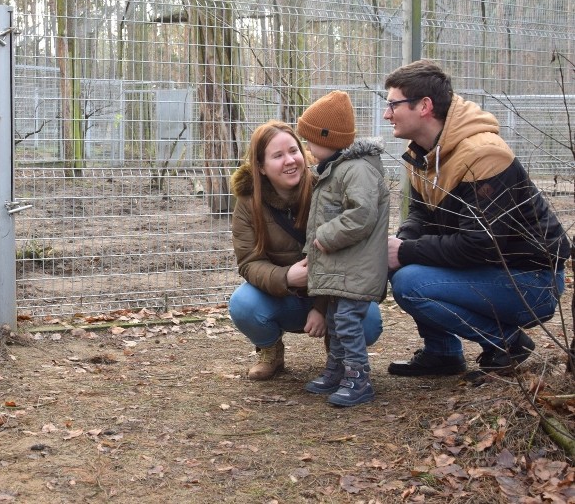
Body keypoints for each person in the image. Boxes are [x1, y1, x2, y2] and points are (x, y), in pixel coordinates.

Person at [384, 59, 571, 377]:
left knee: (409, 281)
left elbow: (481, 244)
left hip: (531, 281)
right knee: (399, 263)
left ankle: (507, 343)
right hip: (490, 270)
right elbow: (420, 213)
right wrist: (402, 240)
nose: (387, 114)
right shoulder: (424, 153)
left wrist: (404, 251)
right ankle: (441, 354)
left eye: (393, 104)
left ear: (424, 106)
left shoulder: (483, 154)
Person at [229, 119, 383, 382]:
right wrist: (287, 277)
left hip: (332, 291)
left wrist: (322, 308)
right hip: (283, 296)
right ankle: (270, 350)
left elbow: (346, 254)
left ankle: (337, 352)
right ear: (261, 167)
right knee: (243, 304)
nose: (290, 160)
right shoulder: (247, 203)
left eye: (294, 151)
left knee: (368, 322)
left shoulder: (324, 188)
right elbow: (249, 262)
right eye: (277, 156)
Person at [294, 91, 390, 407]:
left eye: (310, 141)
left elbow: (361, 215)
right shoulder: (336, 168)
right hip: (343, 269)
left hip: (356, 270)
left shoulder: (356, 169)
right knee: (336, 322)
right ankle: (336, 371)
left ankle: (359, 379)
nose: (306, 149)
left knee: (347, 322)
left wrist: (326, 236)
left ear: (330, 139)